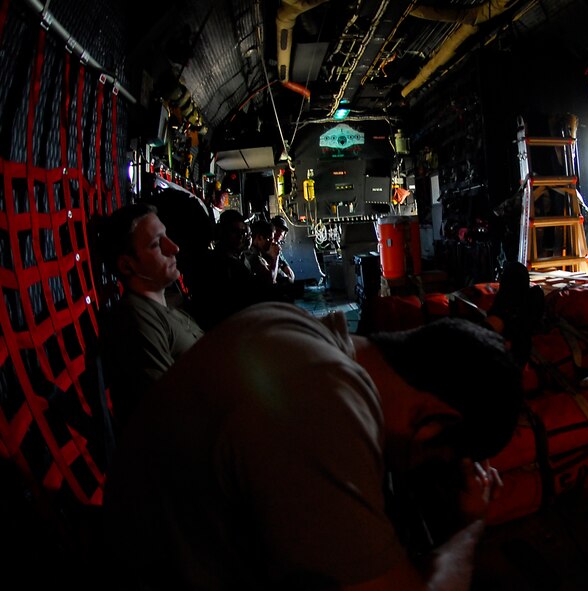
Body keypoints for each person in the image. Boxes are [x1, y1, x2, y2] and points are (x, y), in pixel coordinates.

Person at [102, 303, 524, 590]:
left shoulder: (296, 327)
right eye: (438, 457)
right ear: (434, 424)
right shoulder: (322, 400)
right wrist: (468, 528)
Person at [94, 202, 205, 431]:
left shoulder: (168, 310)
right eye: (157, 244)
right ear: (127, 266)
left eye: (167, 237)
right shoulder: (136, 318)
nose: (173, 248)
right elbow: (172, 413)